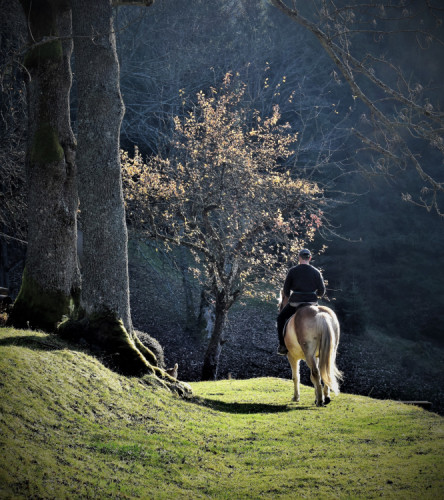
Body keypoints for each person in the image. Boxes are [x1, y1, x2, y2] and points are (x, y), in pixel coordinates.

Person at [276, 248, 326, 355]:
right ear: (310, 258)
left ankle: (282, 346)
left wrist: (289, 297)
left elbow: (286, 290)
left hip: (295, 303)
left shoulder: (293, 271)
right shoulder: (316, 272)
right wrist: (314, 295)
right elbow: (322, 291)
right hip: (312, 303)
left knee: (280, 318)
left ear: (299, 258)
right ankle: (323, 346)